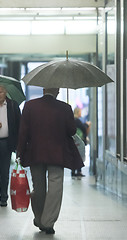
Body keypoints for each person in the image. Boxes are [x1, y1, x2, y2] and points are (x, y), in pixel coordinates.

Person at [17, 88, 83, 234]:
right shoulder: (65, 108)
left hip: (35, 153)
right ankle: (48, 222)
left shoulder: (29, 106)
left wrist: (20, 151)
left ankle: (40, 219)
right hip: (57, 154)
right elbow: (72, 131)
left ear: (43, 89)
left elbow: (23, 132)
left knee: (38, 187)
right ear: (57, 91)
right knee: (55, 186)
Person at [72, 107, 91, 177]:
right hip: (79, 141)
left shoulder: (72, 120)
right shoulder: (77, 121)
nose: (81, 113)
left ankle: (73, 171)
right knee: (79, 155)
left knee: (74, 156)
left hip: (74, 140)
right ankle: (78, 171)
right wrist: (87, 124)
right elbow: (83, 128)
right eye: (80, 112)